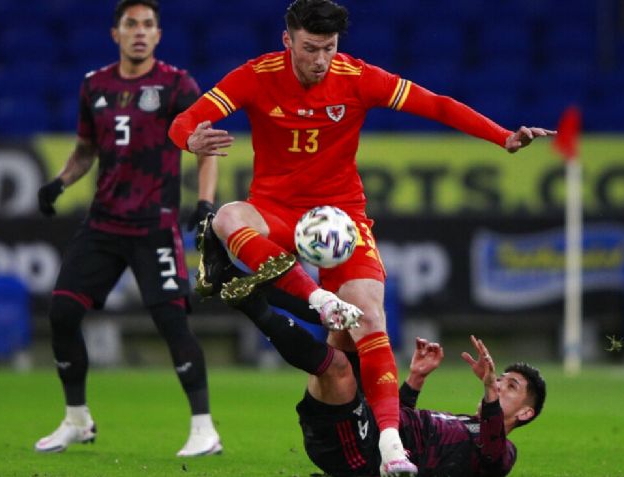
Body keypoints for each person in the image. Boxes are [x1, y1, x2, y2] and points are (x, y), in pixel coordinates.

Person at [168, 0, 555, 473]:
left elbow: (436, 104)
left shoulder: (358, 77)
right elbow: (184, 121)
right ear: (287, 40)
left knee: (370, 318)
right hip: (276, 210)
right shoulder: (255, 75)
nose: (320, 60)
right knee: (227, 217)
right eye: (310, 48)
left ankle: (391, 445)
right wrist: (189, 140)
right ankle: (317, 300)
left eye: (328, 48)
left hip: (342, 219)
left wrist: (502, 136)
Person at [33, 0, 221, 457]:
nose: (140, 31)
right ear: (115, 33)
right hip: (103, 223)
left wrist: (205, 203)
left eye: (148, 24)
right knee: (62, 312)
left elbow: (207, 146)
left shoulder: (177, 85)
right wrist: (59, 182)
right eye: (131, 24)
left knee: (172, 322)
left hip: (154, 223)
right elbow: (86, 150)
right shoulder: (94, 85)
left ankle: (204, 428)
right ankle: (76, 419)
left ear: (158, 35)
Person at [228, 289, 546, 477]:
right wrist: (416, 380)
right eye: (501, 379)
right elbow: (396, 423)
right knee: (349, 322)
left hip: (361, 454)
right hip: (370, 430)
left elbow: (493, 451)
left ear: (525, 413)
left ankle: (252, 303)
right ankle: (264, 289)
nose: (499, 385)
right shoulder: (466, 424)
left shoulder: (502, 453)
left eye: (511, 387)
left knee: (337, 368)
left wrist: (489, 388)